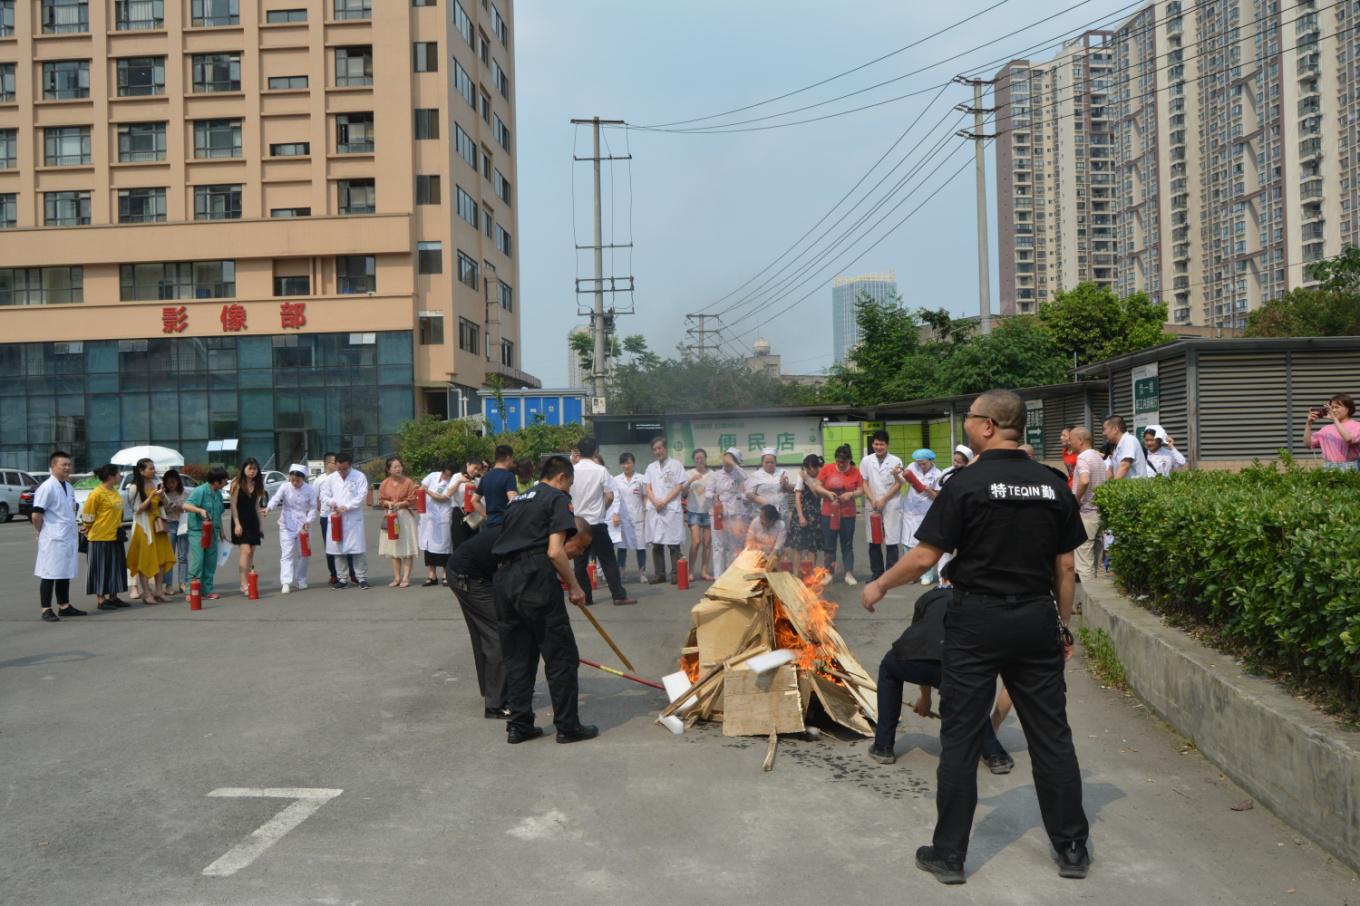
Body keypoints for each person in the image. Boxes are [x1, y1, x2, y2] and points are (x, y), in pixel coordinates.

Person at [860, 389, 1090, 884]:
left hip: (975, 621)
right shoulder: (1053, 485)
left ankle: (949, 856)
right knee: (1051, 735)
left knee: (961, 737)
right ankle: (1072, 848)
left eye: (971, 417)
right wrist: (1061, 624)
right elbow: (1065, 565)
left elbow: (925, 557)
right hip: (1034, 618)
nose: (967, 422)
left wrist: (879, 583)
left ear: (989, 427)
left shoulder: (966, 484)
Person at [491, 455, 598, 745]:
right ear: (562, 478)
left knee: (518, 657)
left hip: (503, 580)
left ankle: (519, 725)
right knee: (561, 655)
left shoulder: (518, 501)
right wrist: (575, 587)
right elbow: (554, 551)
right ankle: (567, 726)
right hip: (534, 579)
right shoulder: (556, 499)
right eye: (569, 485)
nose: (569, 491)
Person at [868, 586, 1014, 775]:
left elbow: (919, 643)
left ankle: (883, 746)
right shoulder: (983, 603)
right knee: (969, 695)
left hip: (915, 661)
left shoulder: (930, 596)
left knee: (889, 668)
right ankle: (995, 755)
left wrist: (926, 698)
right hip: (956, 668)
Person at [570, 437, 635, 606]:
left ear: (579, 451)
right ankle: (618, 595)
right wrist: (603, 508)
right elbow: (611, 495)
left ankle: (586, 597)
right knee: (608, 560)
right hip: (596, 522)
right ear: (595, 451)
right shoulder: (600, 470)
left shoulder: (571, 470)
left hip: (578, 523)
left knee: (580, 562)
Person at [34, 450, 83, 621]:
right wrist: (39, 531)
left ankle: (64, 605)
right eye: (64, 465)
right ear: (53, 466)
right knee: (49, 573)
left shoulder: (68, 486)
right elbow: (36, 514)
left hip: (67, 536)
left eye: (69, 465)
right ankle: (46, 609)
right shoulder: (47, 487)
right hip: (52, 537)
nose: (67, 468)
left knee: (64, 572)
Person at [126, 457, 176, 604]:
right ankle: (146, 592)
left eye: (153, 468)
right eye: (150, 468)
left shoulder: (156, 483)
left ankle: (159, 591)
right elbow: (137, 510)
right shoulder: (135, 487)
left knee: (161, 559)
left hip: (158, 525)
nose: (153, 471)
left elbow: (167, 505)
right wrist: (150, 497)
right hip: (144, 526)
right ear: (141, 471)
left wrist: (162, 495)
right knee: (145, 559)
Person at [319, 452, 370, 589]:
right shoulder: (331, 479)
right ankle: (342, 578)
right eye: (339, 469)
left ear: (350, 465)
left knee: (357, 549)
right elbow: (323, 494)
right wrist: (332, 502)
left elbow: (362, 496)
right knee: (338, 550)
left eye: (345, 469)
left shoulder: (359, 476)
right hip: (336, 518)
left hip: (353, 518)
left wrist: (347, 506)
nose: (341, 472)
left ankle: (362, 577)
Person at [83, 464, 130, 611]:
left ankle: (113, 597)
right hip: (99, 537)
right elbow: (88, 515)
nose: (120, 476)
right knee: (100, 569)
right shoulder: (97, 493)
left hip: (115, 535)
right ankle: (101, 600)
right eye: (118, 474)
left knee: (115, 568)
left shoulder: (114, 492)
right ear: (110, 476)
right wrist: (88, 527)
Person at [860, 430, 904, 582]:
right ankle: (877, 574)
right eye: (876, 444)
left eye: (882, 444)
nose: (878, 447)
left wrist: (884, 499)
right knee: (874, 540)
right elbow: (864, 482)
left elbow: (899, 484)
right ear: (872, 444)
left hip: (890, 502)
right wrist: (873, 499)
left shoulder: (895, 461)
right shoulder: (866, 461)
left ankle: (890, 576)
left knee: (891, 539)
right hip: (872, 503)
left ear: (887, 444)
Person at [816, 444, 864, 585]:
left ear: (849, 460)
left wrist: (851, 494)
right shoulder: (827, 469)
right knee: (829, 545)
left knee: (847, 544)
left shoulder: (855, 471)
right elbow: (817, 486)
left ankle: (848, 573)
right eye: (838, 461)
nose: (841, 465)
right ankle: (828, 573)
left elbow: (861, 490)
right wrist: (827, 493)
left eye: (844, 462)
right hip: (828, 512)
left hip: (847, 513)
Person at [266, 464, 317, 594]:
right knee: (286, 554)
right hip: (286, 524)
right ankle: (286, 582)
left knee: (303, 554)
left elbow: (313, 507)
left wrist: (308, 520)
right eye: (292, 480)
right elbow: (275, 499)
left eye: (297, 480)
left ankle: (301, 579)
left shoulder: (310, 490)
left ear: (303, 479)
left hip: (303, 525)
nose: (294, 483)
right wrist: (268, 508)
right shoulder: (285, 487)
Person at [643, 436, 687, 584]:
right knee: (657, 543)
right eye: (654, 449)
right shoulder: (650, 467)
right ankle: (659, 574)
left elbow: (679, 486)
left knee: (673, 543)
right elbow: (647, 487)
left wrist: (665, 501)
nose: (657, 451)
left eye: (660, 448)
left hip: (670, 508)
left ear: (665, 448)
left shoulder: (676, 465)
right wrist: (655, 501)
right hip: (656, 508)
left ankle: (675, 574)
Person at [183, 467, 230, 600]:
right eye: (224, 481)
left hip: (213, 532)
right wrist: (199, 511)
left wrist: (222, 531)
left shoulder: (218, 494)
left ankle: (207, 590)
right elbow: (186, 505)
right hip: (198, 532)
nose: (226, 483)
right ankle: (190, 590)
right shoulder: (200, 491)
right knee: (198, 561)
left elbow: (219, 514)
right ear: (216, 481)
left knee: (210, 562)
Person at [900, 449, 942, 585]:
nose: (920, 466)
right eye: (919, 463)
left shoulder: (937, 474)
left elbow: (938, 497)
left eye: (923, 464)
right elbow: (902, 480)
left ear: (930, 460)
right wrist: (896, 474)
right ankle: (910, 574)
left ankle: (927, 574)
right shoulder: (912, 467)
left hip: (926, 512)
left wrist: (928, 490)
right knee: (907, 543)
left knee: (924, 544)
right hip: (910, 510)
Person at [1069, 427, 1107, 579]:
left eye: (1071, 439)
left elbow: (1084, 480)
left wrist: (1076, 500)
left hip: (1087, 514)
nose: (1069, 442)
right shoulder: (1097, 457)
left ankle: (1085, 602)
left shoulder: (1083, 458)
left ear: (1080, 441)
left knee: (1084, 564)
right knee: (1097, 563)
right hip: (1099, 513)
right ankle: (1097, 598)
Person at [378, 456, 420, 588]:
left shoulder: (408, 482)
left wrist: (401, 503)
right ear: (388, 469)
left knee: (406, 547)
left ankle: (406, 577)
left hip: (405, 516)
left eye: (399, 466)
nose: (398, 469)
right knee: (393, 547)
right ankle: (396, 577)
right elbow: (381, 499)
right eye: (395, 467)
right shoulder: (385, 483)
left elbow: (413, 499)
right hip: (391, 516)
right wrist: (388, 503)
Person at [230, 458, 268, 595]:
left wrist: (260, 525)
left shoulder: (257, 485)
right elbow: (233, 506)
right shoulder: (236, 484)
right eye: (249, 468)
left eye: (255, 469)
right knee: (245, 551)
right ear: (244, 469)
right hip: (240, 520)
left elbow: (257, 505)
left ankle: (249, 580)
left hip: (253, 521)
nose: (252, 472)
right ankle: (243, 583)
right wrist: (237, 524)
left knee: (251, 552)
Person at [709, 447, 750, 575]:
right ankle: (718, 576)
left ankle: (731, 574)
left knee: (734, 546)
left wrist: (733, 464)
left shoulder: (739, 474)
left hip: (735, 513)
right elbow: (707, 491)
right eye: (725, 459)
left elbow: (746, 477)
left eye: (730, 459)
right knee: (718, 546)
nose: (726, 462)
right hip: (718, 512)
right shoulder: (715, 475)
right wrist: (714, 496)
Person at [419, 462, 457, 586]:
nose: (447, 476)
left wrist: (427, 491)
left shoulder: (453, 481)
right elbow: (423, 485)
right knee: (428, 545)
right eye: (446, 473)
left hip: (443, 515)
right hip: (429, 515)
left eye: (449, 474)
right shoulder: (433, 475)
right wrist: (424, 489)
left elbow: (442, 498)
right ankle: (432, 575)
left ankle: (445, 574)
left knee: (445, 545)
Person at [612, 452, 647, 581]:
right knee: (622, 548)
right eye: (623, 463)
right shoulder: (616, 480)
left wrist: (646, 513)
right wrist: (615, 515)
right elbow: (614, 499)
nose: (626, 466)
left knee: (640, 546)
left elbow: (645, 497)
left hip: (638, 517)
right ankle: (621, 574)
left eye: (628, 463)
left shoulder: (641, 479)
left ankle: (642, 574)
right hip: (622, 518)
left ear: (633, 463)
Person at [788, 453, 824, 576]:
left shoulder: (821, 476)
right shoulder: (801, 477)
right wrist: (801, 516)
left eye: (809, 468)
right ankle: (795, 573)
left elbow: (816, 494)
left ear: (815, 467)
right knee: (798, 545)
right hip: (800, 513)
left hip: (815, 515)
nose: (807, 471)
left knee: (812, 546)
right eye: (806, 468)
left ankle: (811, 574)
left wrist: (808, 479)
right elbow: (797, 497)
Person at [1303, 393, 1360, 469]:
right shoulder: (1326, 429)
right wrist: (1308, 424)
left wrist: (1334, 419)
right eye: (1332, 408)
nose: (1333, 410)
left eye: (1337, 407)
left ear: (1348, 408)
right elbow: (1308, 444)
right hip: (1329, 467)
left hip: (1350, 467)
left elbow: (1348, 439)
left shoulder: (1357, 426)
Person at [685, 448, 715, 580]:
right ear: (694, 460)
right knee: (696, 542)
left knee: (707, 543)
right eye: (697, 458)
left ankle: (704, 571)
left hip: (709, 512)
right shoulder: (688, 473)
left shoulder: (712, 474)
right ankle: (690, 571)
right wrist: (691, 480)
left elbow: (716, 491)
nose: (699, 460)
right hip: (694, 511)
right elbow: (683, 492)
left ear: (705, 458)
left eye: (701, 457)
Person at [160, 470, 189, 595]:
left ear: (178, 481)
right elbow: (161, 509)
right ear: (165, 483)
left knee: (183, 556)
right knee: (169, 556)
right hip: (169, 524)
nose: (172, 484)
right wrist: (169, 506)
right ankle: (168, 584)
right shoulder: (162, 495)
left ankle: (183, 583)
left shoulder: (184, 493)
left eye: (174, 481)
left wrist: (179, 507)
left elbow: (187, 507)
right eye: (169, 482)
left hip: (183, 524)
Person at [746, 447, 793, 520]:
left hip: (781, 512)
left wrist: (785, 484)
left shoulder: (782, 472)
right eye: (766, 462)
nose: (769, 464)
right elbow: (749, 494)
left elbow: (791, 489)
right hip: (763, 513)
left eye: (772, 462)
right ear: (762, 462)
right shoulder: (755, 475)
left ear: (775, 462)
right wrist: (764, 502)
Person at [318, 453, 342, 586]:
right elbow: (316, 499)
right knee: (330, 547)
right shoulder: (320, 480)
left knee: (345, 544)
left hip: (341, 516)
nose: (338, 463)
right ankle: (334, 574)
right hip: (326, 517)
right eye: (335, 461)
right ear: (327, 464)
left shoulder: (341, 478)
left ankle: (351, 573)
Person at [1102, 415, 1146, 480]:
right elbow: (1111, 470)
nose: (1103, 433)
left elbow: (1125, 466)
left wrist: (1113, 487)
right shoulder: (1117, 446)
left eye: (1104, 429)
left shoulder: (1129, 440)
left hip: (1135, 488)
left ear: (1115, 429)